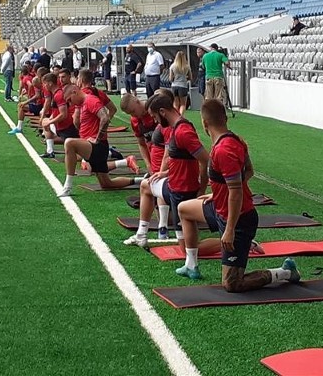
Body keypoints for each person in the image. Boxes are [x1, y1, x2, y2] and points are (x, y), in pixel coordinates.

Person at [176, 99, 300, 285]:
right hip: (220, 206)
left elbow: (236, 193)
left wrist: (230, 230)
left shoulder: (224, 150)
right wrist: (219, 192)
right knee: (184, 209)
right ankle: (191, 265)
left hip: (238, 219)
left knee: (232, 284)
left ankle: (285, 272)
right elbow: (249, 172)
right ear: (225, 119)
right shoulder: (235, 141)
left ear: (204, 123)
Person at [145, 93, 209, 251]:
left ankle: (240, 244)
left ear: (162, 112)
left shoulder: (183, 131)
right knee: (146, 186)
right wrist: (165, 173)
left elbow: (205, 160)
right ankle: (142, 233)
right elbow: (180, 159)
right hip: (173, 186)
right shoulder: (173, 128)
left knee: (189, 248)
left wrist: (201, 189)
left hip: (184, 191)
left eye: (155, 117)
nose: (155, 121)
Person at [59, 85, 145, 196]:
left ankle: (67, 186)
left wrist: (97, 138)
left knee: (69, 143)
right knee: (106, 183)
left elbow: (105, 118)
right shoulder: (83, 104)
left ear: (74, 92)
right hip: (93, 147)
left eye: (70, 100)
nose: (71, 103)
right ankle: (141, 180)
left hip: (97, 146)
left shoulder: (90, 100)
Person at [121, 89, 175, 244]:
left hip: (167, 165)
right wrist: (149, 165)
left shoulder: (166, 121)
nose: (133, 115)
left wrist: (164, 170)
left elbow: (169, 149)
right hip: (159, 162)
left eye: (133, 111)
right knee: (155, 194)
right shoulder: (138, 121)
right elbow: (142, 144)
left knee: (155, 192)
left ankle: (159, 229)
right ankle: (161, 228)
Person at [40, 72, 79, 158]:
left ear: (50, 83)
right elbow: (57, 112)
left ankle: (110, 152)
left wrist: (49, 122)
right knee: (45, 122)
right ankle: (50, 151)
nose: (44, 86)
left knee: (83, 153)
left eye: (45, 84)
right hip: (61, 127)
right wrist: (49, 120)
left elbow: (63, 115)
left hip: (67, 127)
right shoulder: (56, 93)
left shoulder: (58, 95)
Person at [169, 50, 192, 115]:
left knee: (175, 104)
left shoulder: (172, 66)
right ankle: (181, 116)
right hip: (183, 86)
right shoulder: (187, 66)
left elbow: (170, 78)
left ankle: (175, 116)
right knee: (183, 104)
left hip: (174, 86)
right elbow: (190, 78)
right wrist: (185, 78)